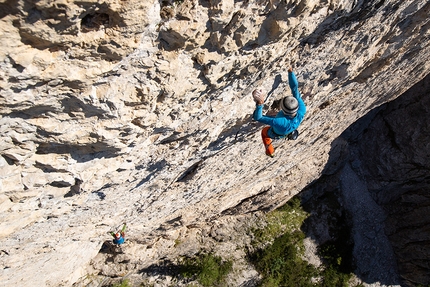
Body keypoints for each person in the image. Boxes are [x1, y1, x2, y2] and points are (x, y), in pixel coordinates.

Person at [252, 67, 307, 157]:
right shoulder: (302, 110)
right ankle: (271, 152)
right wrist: (290, 71)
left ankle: (270, 151)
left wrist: (260, 103)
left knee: (264, 133)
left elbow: (258, 117)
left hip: (276, 132)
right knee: (271, 119)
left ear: (282, 108)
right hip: (286, 129)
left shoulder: (278, 121)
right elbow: (294, 88)